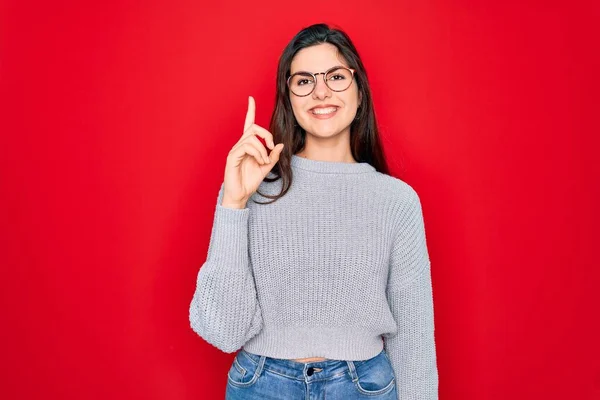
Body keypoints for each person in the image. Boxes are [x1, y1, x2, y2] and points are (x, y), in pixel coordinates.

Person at [189, 23, 439, 399]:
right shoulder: (251, 189)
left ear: (359, 91)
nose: (321, 91)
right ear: (288, 97)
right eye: (304, 81)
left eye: (336, 76)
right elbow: (224, 330)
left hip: (363, 388)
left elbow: (413, 335)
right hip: (260, 386)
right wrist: (234, 203)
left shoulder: (396, 201)